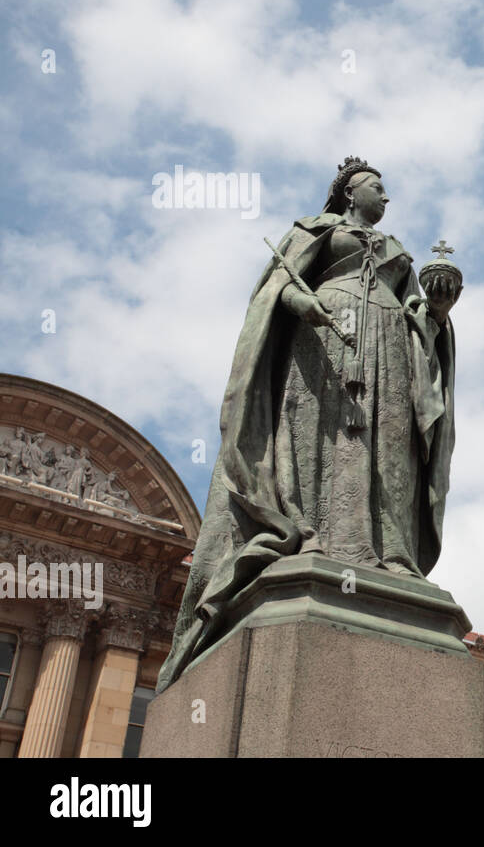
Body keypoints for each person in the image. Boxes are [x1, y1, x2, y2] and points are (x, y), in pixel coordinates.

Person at [157, 156, 460, 691]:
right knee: (316, 439)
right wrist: (306, 302)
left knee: (390, 446)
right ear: (349, 193)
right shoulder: (314, 232)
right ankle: (311, 536)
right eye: (377, 187)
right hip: (321, 343)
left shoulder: (397, 254)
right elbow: (276, 291)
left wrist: (436, 310)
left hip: (389, 350)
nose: (386, 198)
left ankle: (390, 552)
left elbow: (420, 317)